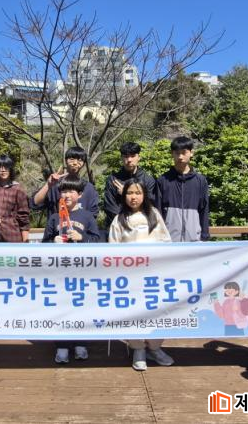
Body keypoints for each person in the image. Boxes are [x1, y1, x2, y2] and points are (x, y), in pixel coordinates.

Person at [108, 179, 174, 370]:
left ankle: (155, 347)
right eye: (129, 193)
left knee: (157, 311)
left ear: (144, 195)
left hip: (154, 276)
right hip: (131, 278)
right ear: (124, 196)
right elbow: (113, 250)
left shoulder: (154, 215)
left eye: (137, 193)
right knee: (133, 312)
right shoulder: (119, 219)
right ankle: (138, 348)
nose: (133, 197)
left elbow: (166, 242)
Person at [42, 176, 99, 364]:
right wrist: (53, 241)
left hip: (82, 272)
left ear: (80, 194)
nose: (66, 195)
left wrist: (82, 238)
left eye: (71, 191)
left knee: (82, 307)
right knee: (61, 308)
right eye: (63, 191)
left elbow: (98, 242)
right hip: (60, 273)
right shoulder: (54, 217)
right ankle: (62, 345)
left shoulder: (87, 217)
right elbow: (43, 245)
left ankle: (81, 343)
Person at [155, 136, 210, 242]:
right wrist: (158, 236)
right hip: (169, 240)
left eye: (184, 152)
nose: (180, 157)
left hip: (194, 239)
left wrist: (204, 235)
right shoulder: (163, 180)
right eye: (177, 153)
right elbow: (158, 211)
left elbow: (204, 209)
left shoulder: (200, 181)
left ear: (191, 153)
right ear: (172, 154)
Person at [32, 146, 100, 221]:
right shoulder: (54, 184)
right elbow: (34, 204)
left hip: (80, 228)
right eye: (72, 159)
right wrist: (48, 185)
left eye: (80, 160)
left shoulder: (89, 188)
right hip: (56, 228)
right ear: (66, 161)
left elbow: (93, 213)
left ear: (83, 163)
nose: (75, 163)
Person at [104, 142, 156, 231]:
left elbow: (150, 205)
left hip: (141, 227)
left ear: (139, 157)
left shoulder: (148, 180)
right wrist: (125, 224)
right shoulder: (113, 179)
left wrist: (126, 193)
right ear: (121, 158)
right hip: (117, 228)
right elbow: (109, 207)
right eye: (126, 156)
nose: (129, 160)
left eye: (132, 156)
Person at [0, 155, 30, 242]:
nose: (3, 170)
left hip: (12, 236)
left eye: (6, 167)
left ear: (11, 169)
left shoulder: (18, 189)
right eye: (0, 167)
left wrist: (25, 241)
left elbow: (24, 218)